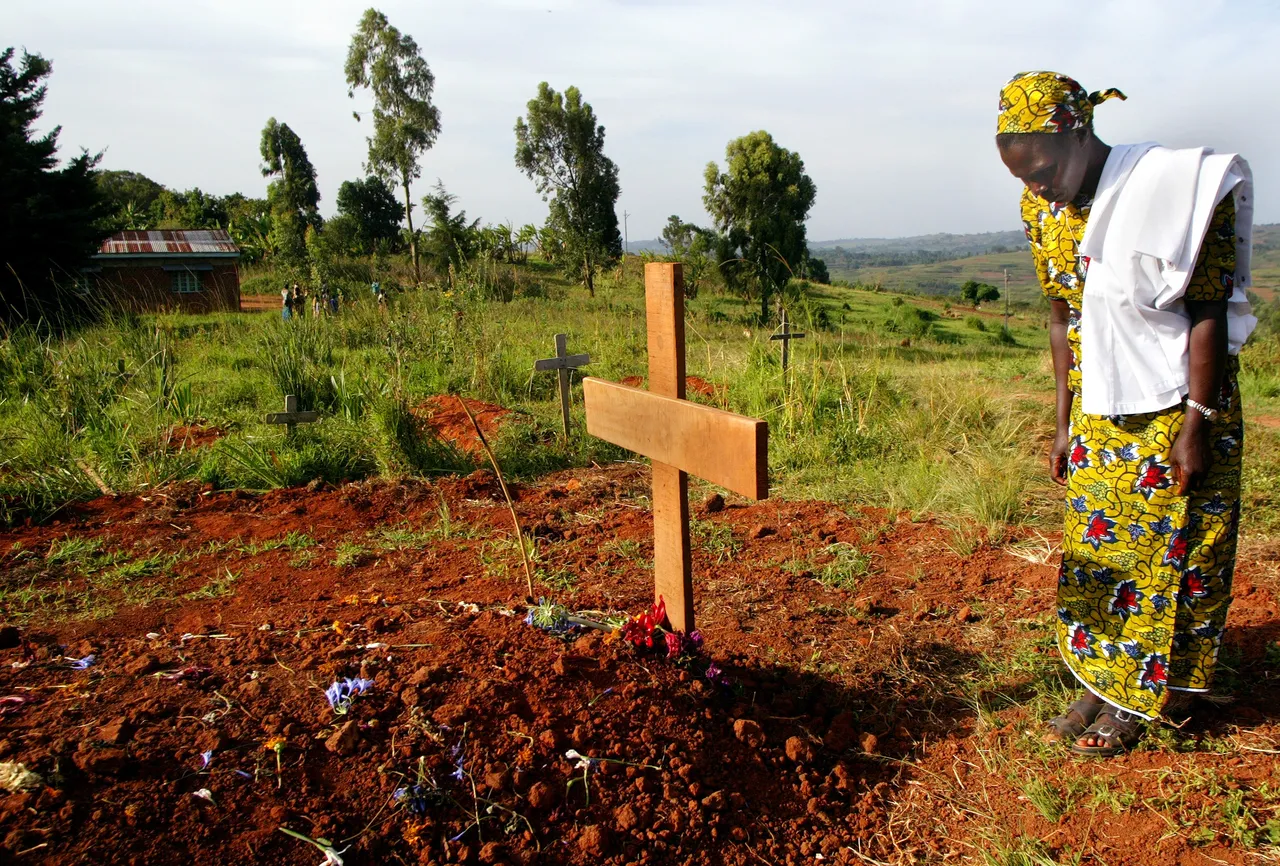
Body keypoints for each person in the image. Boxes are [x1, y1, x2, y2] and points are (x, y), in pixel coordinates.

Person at [995, 72, 1256, 756]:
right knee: (1102, 554)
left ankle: (1153, 698)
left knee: (1170, 556)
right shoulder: (1042, 211)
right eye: (1024, 178)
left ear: (1079, 133)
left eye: (1045, 170)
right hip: (1102, 409)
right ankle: (1103, 683)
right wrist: (1063, 422)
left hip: (1179, 405)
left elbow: (1206, 310)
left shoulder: (1172, 191)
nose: (1038, 187)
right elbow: (1061, 318)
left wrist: (1195, 425)